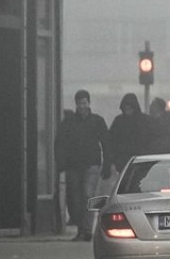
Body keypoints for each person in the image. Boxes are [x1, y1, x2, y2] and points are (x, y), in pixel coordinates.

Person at [55, 90, 108, 241]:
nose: (82, 106)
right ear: (76, 104)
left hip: (91, 164)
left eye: (84, 103)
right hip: (74, 165)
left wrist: (107, 163)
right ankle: (82, 229)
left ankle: (86, 230)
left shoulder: (97, 121)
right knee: (76, 199)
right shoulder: (69, 122)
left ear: (88, 103)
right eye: (79, 104)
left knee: (87, 195)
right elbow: (60, 143)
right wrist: (62, 163)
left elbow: (106, 142)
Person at [103, 94, 152, 182]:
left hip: (139, 160)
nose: (127, 111)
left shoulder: (120, 121)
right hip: (125, 161)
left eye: (129, 108)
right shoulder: (144, 120)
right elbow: (111, 141)